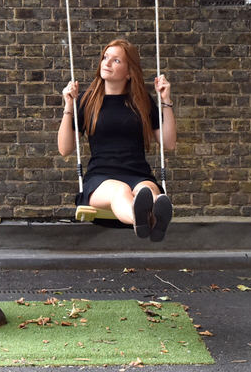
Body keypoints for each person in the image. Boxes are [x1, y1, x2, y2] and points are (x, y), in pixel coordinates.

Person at [58, 38, 177, 241]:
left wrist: (166, 100)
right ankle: (143, 220)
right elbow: (65, 148)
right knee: (121, 190)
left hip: (138, 173)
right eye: (105, 57)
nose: (106, 63)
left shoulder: (141, 101)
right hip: (101, 178)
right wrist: (69, 105)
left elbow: (168, 143)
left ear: (130, 72)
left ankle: (152, 217)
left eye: (116, 60)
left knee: (147, 192)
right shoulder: (88, 100)